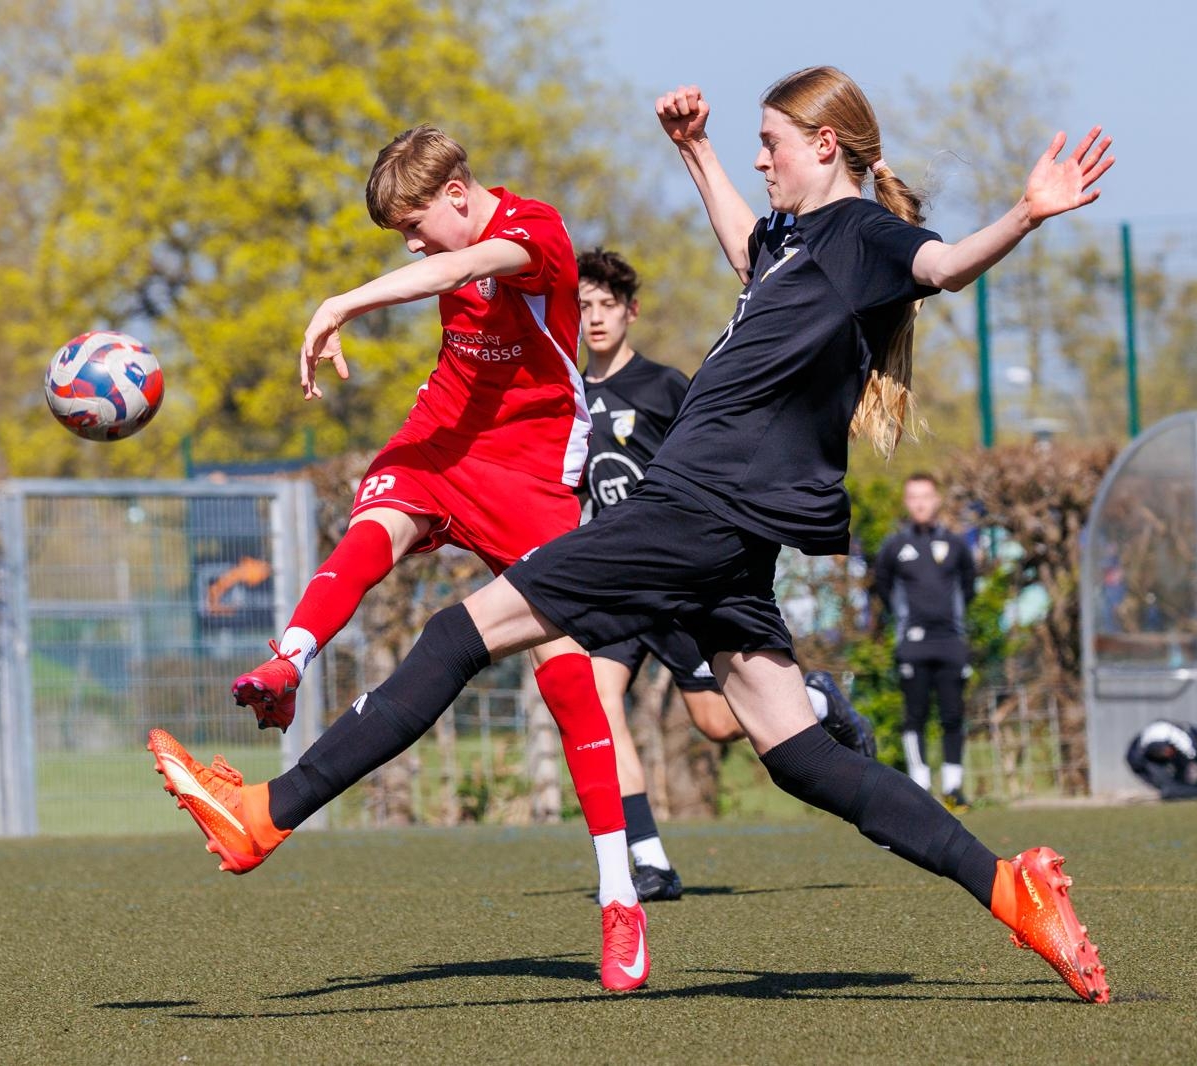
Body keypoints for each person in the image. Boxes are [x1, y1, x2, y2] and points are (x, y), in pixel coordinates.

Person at [148, 69, 1115, 1003]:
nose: (762, 160)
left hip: (694, 510)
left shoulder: (863, 233)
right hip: (728, 529)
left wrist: (1024, 215)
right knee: (799, 754)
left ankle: (264, 815)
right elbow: (747, 252)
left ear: (826, 145)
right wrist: (697, 152)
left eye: (771, 144)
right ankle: (1011, 890)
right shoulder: (794, 240)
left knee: (456, 635)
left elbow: (941, 266)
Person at [149, 125, 648, 991]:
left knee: (568, 674)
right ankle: (288, 661)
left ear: (457, 193)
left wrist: (341, 303)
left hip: (531, 470)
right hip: (442, 438)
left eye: (415, 225)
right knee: (374, 529)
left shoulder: (535, 231)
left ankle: (620, 898)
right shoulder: (447, 242)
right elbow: (445, 269)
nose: (413, 244)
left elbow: (464, 267)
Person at [576, 247, 744, 902]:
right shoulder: (567, 396)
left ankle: (814, 700)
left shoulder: (664, 387)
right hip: (614, 585)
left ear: (631, 312)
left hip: (674, 579)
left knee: (719, 723)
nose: (595, 317)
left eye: (607, 305)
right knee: (597, 702)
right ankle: (649, 862)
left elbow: (713, 462)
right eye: (583, 306)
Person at [872, 473, 976, 809]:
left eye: (926, 496)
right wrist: (905, 621)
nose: (920, 503)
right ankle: (920, 787)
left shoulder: (956, 545)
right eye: (913, 497)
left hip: (951, 642)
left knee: (952, 714)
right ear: (906, 502)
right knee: (914, 714)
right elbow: (883, 586)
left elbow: (969, 587)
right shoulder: (894, 547)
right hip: (913, 644)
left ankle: (953, 787)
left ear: (937, 500)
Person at [1125, 719, 1197, 799]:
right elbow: (1139, 767)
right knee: (1173, 788)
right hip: (1168, 763)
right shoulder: (1138, 756)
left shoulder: (1195, 742)